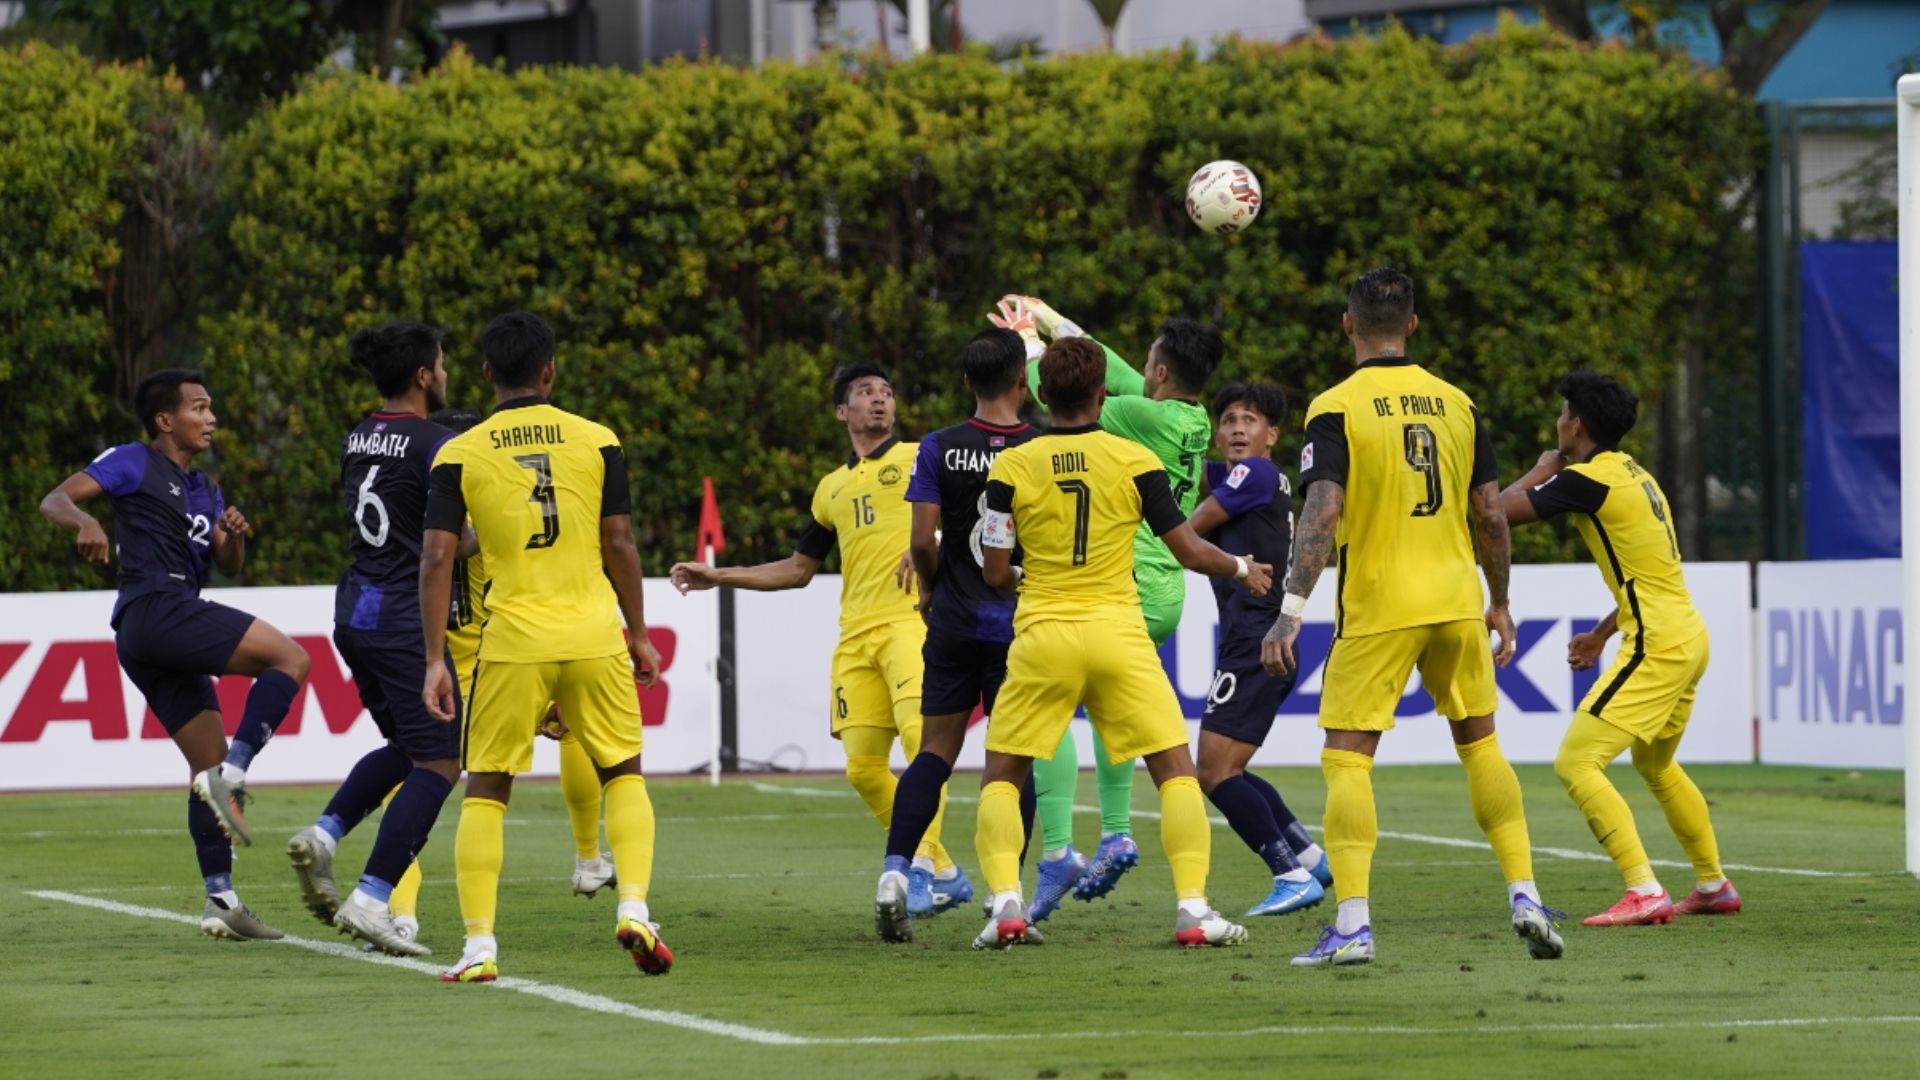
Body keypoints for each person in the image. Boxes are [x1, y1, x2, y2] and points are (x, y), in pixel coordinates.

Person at [1261, 268, 1564, 967]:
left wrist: (1291, 612)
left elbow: (1322, 511)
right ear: (1414, 327)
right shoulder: (1458, 403)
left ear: (1348, 325)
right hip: (1456, 601)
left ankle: (1354, 924)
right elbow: (1490, 513)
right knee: (1482, 745)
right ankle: (1525, 892)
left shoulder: (1335, 405)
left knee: (1346, 759)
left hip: (1381, 607)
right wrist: (1499, 601)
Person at [971, 336, 1272, 950]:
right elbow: (1186, 548)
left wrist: (1028, 575)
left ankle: (1006, 906)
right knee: (1175, 772)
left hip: (1044, 633)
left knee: (1003, 773)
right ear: (1102, 395)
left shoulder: (1011, 465)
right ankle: (1192, 910)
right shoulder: (1135, 461)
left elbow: (995, 571)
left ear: (1038, 394)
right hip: (1118, 630)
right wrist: (1242, 568)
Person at [421, 312, 669, 983]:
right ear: (550, 371)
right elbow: (619, 542)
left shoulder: (457, 452)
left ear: (485, 374)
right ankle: (637, 907)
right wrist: (639, 632)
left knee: (486, 790)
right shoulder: (597, 441)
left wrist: (436, 660)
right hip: (592, 633)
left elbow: (438, 558)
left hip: (512, 640)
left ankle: (479, 946)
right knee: (623, 771)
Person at [670, 362, 964, 900]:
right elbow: (798, 569)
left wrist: (936, 537)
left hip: (913, 625)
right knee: (862, 768)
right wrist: (719, 574)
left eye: (886, 391)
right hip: (855, 638)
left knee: (925, 745)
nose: (879, 399)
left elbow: (978, 509)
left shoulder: (924, 454)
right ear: (841, 411)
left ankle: (918, 868)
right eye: (865, 392)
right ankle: (941, 868)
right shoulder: (831, 488)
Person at [38, 368, 311, 940]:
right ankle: (235, 775)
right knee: (291, 659)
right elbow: (54, 498)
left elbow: (229, 564)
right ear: (166, 420)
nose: (211, 418)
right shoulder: (133, 460)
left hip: (149, 634)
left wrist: (232, 535)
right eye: (200, 408)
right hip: (157, 608)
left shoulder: (204, 487)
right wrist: (85, 519)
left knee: (204, 767)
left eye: (210, 409)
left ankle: (222, 901)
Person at [1501, 372, 1739, 926]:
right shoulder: (1636, 473)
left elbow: (1496, 513)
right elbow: (1651, 573)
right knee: (1655, 764)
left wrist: (1543, 468)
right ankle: (1711, 883)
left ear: (1576, 424)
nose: (1558, 421)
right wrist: (1603, 633)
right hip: (1686, 633)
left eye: (1563, 413)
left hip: (1658, 642)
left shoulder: (1585, 479)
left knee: (1576, 762)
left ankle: (1643, 889)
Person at [286, 321, 462, 957]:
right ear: (423, 375)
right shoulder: (438, 446)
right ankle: (370, 899)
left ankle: (328, 833)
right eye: (441, 364)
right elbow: (444, 546)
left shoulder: (358, 434)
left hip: (353, 607)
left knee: (404, 745)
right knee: (443, 757)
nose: (445, 373)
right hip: (398, 618)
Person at [874, 328, 1040, 943]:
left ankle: (894, 874)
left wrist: (929, 589)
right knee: (1012, 764)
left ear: (967, 381)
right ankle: (1008, 898)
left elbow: (921, 541)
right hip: (1018, 627)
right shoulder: (1040, 447)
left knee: (934, 755)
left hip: (952, 621)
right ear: (1022, 378)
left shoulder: (940, 446)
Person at [1186, 382, 1331, 917]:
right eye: (1227, 420)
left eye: (1250, 420)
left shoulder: (1258, 474)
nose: (1237, 428)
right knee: (1233, 767)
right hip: (1261, 639)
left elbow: (1190, 531)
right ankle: (1309, 856)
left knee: (1215, 773)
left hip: (1256, 641)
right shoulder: (1249, 478)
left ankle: (1288, 873)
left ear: (1272, 435)